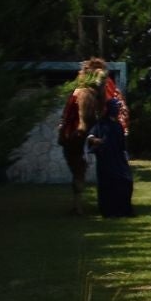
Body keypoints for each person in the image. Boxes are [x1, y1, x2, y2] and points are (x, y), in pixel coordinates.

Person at [58, 62, 106, 215]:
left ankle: (78, 205)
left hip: (72, 136)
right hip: (79, 137)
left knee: (77, 170)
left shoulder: (79, 92)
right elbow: (86, 119)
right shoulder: (88, 94)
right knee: (79, 170)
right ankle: (79, 206)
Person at [87, 96, 134, 218]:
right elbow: (90, 136)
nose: (118, 110)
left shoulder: (118, 125)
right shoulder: (101, 124)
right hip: (105, 160)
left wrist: (125, 156)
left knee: (127, 181)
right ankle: (109, 211)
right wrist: (95, 140)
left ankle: (123, 210)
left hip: (118, 159)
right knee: (109, 185)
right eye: (116, 107)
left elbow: (122, 145)